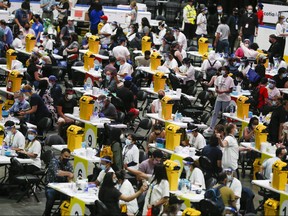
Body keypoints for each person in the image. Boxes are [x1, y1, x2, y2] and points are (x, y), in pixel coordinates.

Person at [44, 148, 73, 216]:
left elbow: (71, 176)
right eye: (65, 156)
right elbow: (57, 172)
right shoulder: (54, 161)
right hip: (51, 187)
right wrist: (68, 173)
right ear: (61, 155)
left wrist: (70, 179)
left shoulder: (68, 164)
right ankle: (47, 214)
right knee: (51, 197)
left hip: (63, 188)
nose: (67, 158)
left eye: (68, 157)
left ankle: (61, 212)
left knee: (69, 197)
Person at [204, 66, 234, 133]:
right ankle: (211, 127)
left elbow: (231, 89)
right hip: (219, 98)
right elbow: (216, 87)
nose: (223, 71)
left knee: (224, 115)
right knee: (215, 112)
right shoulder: (219, 78)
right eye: (222, 70)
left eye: (224, 70)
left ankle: (223, 129)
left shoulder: (230, 79)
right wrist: (217, 90)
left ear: (227, 71)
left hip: (226, 99)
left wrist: (223, 91)